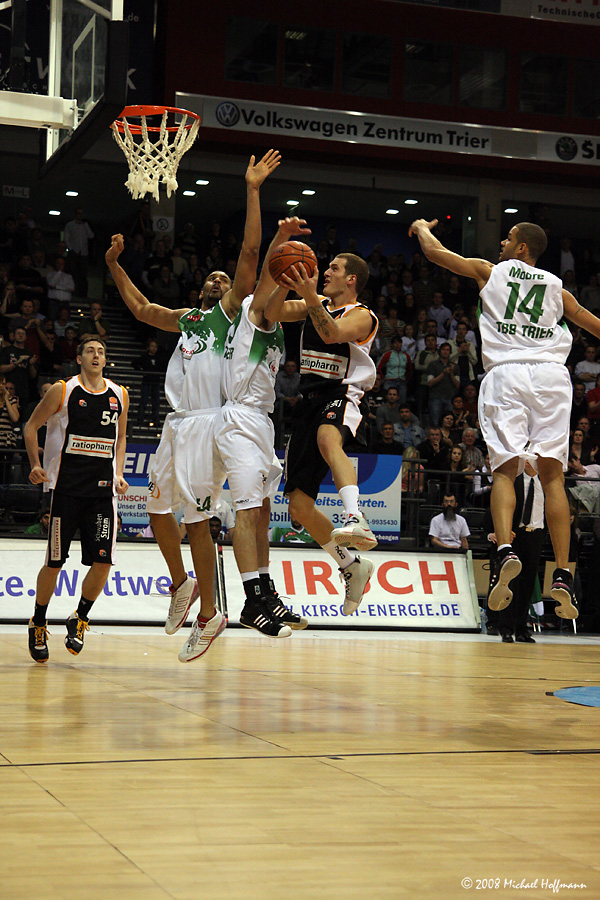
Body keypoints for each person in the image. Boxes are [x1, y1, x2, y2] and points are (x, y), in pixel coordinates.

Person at [105, 149, 282, 661]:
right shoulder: (187, 320)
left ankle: (210, 614)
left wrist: (251, 190)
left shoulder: (230, 317)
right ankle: (181, 584)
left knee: (197, 521)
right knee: (155, 509)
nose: (217, 281)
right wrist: (115, 265)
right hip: (175, 425)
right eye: (212, 278)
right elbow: (141, 309)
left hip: (210, 425)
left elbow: (250, 255)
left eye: (224, 282)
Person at [409, 217, 600, 621]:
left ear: (522, 249)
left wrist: (422, 227)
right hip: (552, 377)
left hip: (507, 374)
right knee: (552, 477)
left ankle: (504, 549)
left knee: (504, 470)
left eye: (509, 237)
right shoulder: (557, 288)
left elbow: (435, 254)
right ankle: (563, 572)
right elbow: (591, 323)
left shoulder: (490, 271)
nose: (502, 240)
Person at [264, 251, 379, 616]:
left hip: (342, 393)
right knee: (297, 504)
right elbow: (271, 314)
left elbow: (331, 333)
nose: (325, 271)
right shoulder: (311, 305)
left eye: (334, 268)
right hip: (308, 400)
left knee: (329, 439)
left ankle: (354, 516)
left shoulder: (362, 316)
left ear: (352, 280)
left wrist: (311, 294)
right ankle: (350, 565)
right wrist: (284, 283)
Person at [23, 337, 129, 663]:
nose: (96, 355)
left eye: (101, 352)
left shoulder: (119, 394)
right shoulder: (63, 390)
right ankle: (38, 621)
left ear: (105, 360)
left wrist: (120, 472)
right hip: (66, 489)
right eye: (90, 351)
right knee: (54, 563)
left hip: (101, 492)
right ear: (79, 358)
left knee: (104, 561)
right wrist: (36, 466)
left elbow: (121, 436)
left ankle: (79, 617)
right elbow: (30, 427)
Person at [486, 465, 545, 643]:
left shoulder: (548, 481)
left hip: (536, 534)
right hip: (515, 534)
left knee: (528, 582)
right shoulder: (513, 480)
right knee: (509, 581)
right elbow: (500, 505)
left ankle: (522, 629)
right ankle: (505, 629)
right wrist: (504, 530)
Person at [131, 337, 168, 426]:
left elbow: (164, 366)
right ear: (148, 347)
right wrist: (141, 371)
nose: (154, 348)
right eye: (152, 346)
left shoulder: (159, 358)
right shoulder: (144, 357)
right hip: (146, 381)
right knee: (144, 401)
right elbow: (134, 363)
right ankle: (140, 419)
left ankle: (155, 420)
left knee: (156, 402)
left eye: (155, 346)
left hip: (156, 382)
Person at [64, 208, 94, 296]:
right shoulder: (70, 225)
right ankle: (73, 292)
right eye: (78, 213)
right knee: (73, 273)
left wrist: (86, 225)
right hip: (74, 252)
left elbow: (91, 236)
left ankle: (83, 294)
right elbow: (66, 238)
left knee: (83, 274)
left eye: (81, 214)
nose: (80, 215)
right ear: (75, 214)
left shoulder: (85, 225)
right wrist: (71, 249)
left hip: (84, 253)